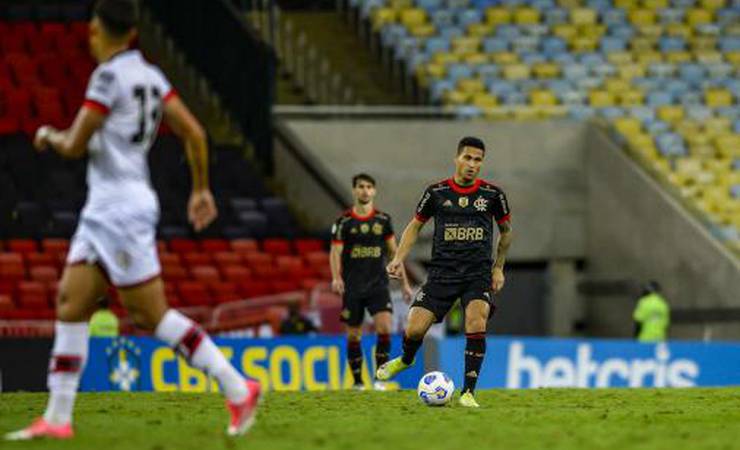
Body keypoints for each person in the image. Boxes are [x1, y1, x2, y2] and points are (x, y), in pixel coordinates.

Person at [5, 0, 259, 441]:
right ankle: (58, 417)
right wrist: (200, 188)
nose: (88, 34)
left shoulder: (107, 77)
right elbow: (195, 133)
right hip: (108, 208)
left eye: (91, 27)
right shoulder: (152, 75)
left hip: (119, 210)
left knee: (151, 315)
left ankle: (237, 387)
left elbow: (74, 144)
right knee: (71, 302)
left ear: (98, 31)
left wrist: (47, 136)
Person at [376, 136, 513, 408]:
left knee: (477, 320)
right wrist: (398, 259)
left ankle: (468, 392)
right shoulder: (436, 193)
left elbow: (506, 233)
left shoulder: (492, 195)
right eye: (468, 158)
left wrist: (498, 268)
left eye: (478, 160)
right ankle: (406, 359)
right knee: (414, 329)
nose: (472, 164)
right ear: (457, 158)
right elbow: (415, 226)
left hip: (477, 274)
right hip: (442, 274)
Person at [330, 173, 413, 391]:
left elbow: (395, 253)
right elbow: (335, 252)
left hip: (378, 285)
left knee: (384, 328)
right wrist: (336, 277)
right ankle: (358, 382)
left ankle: (379, 380)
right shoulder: (344, 222)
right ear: (354, 190)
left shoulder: (383, 220)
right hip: (353, 286)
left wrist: (404, 284)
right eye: (361, 186)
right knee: (354, 334)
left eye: (369, 187)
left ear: (374, 191)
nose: (365, 190)